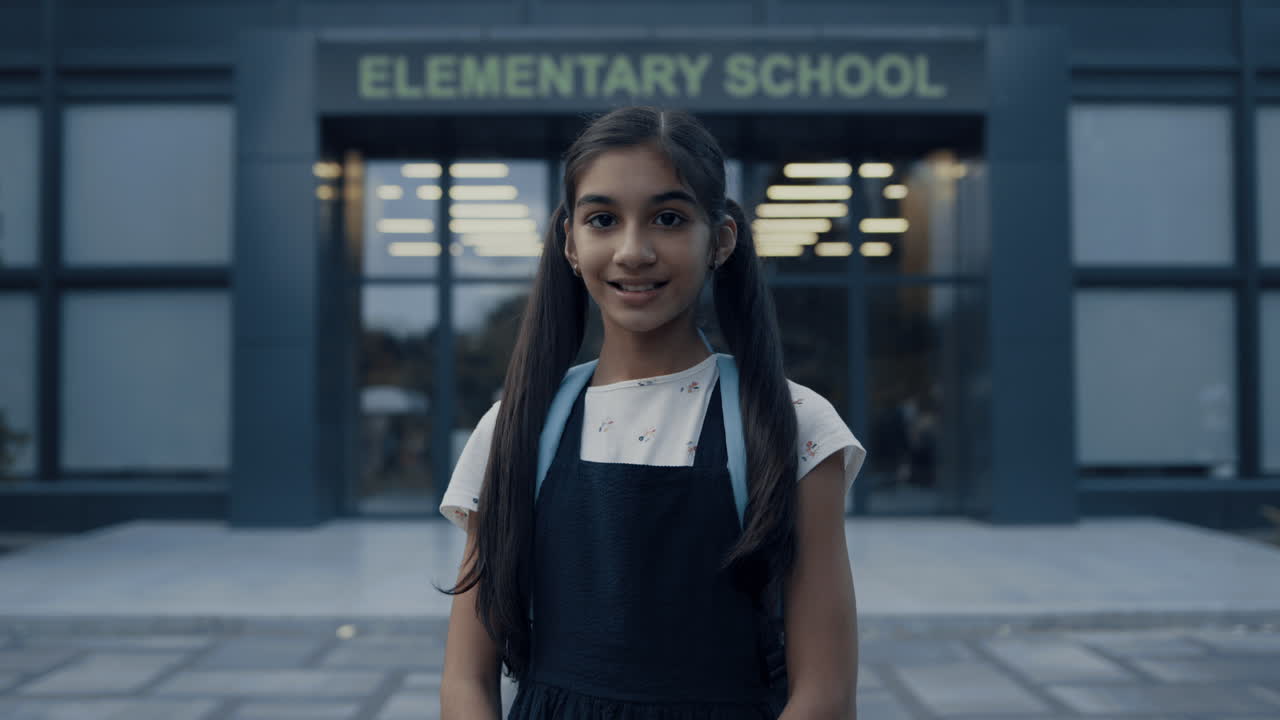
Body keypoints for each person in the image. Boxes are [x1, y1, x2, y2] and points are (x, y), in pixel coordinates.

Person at [437, 106, 866, 720]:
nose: (633, 251)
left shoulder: (793, 423)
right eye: (603, 219)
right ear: (570, 242)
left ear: (719, 240)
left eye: (668, 218)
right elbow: (464, 682)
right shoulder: (512, 430)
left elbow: (824, 697)